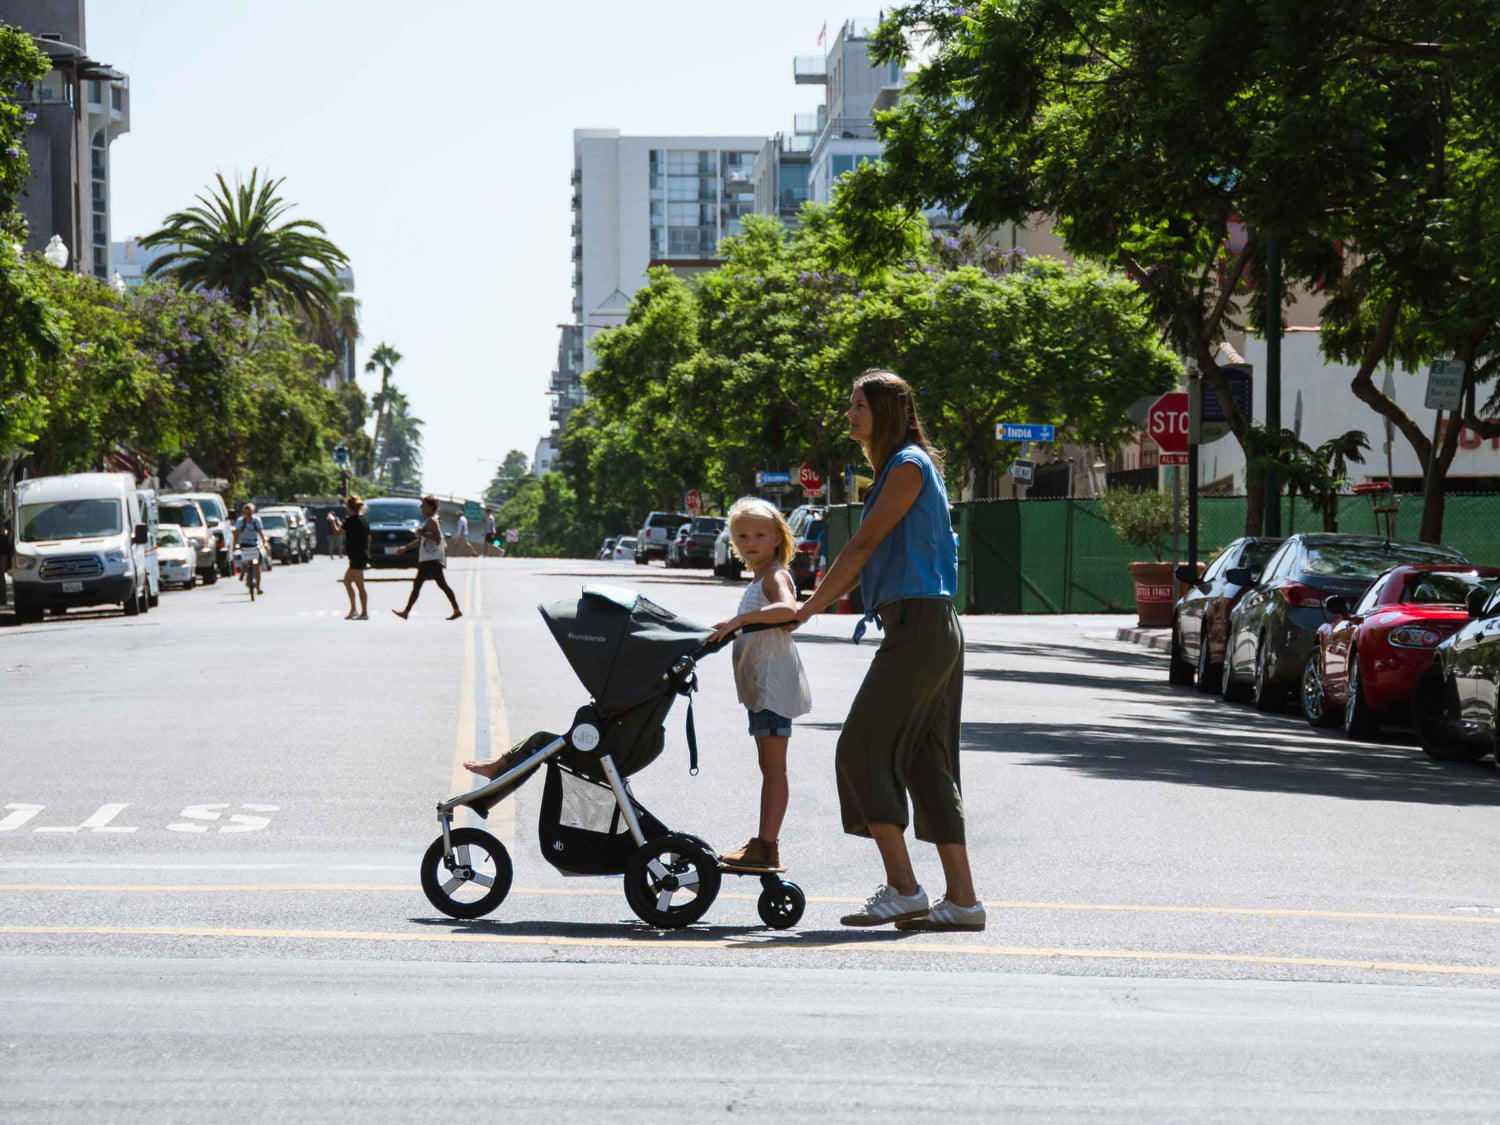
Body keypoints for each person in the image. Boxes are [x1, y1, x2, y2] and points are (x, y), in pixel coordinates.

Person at [792, 369, 984, 932]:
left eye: (860, 405)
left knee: (858, 749)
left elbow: (863, 544)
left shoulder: (907, 466)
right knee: (927, 762)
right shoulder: (900, 467)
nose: (850, 414)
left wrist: (808, 607)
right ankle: (963, 902)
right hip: (923, 626)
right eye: (849, 404)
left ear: (889, 411)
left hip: (922, 628)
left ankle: (905, 889)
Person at [707, 498, 813, 873]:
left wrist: (739, 622)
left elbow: (789, 609)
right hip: (761, 687)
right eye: (742, 536)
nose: (750, 542)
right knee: (768, 767)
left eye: (758, 534)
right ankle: (763, 844)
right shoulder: (758, 577)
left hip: (772, 686)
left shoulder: (775, 574)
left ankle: (767, 846)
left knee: (773, 769)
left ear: (776, 537)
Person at [392, 495, 462, 620]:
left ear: (430, 507)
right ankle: (456, 610)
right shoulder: (430, 520)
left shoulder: (432, 521)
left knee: (420, 585)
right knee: (440, 585)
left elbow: (437, 538)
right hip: (429, 558)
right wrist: (405, 548)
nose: (421, 508)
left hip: (431, 559)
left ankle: (406, 612)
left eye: (423, 505)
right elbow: (420, 541)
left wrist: (422, 532)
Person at [333, 496, 369, 620]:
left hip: (356, 556)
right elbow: (368, 538)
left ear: (350, 507)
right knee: (347, 582)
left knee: (360, 586)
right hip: (360, 555)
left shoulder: (350, 521)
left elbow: (337, 532)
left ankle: (364, 613)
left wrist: (332, 521)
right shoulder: (363, 520)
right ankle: (354, 609)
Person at [234, 503, 269, 597]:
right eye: (246, 512)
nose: (248, 514)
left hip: (254, 544)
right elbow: (236, 533)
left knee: (256, 565)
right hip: (244, 545)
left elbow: (261, 533)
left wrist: (264, 542)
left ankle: (258, 588)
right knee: (245, 561)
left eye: (250, 512)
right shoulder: (240, 521)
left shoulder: (256, 521)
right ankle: (243, 573)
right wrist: (235, 545)